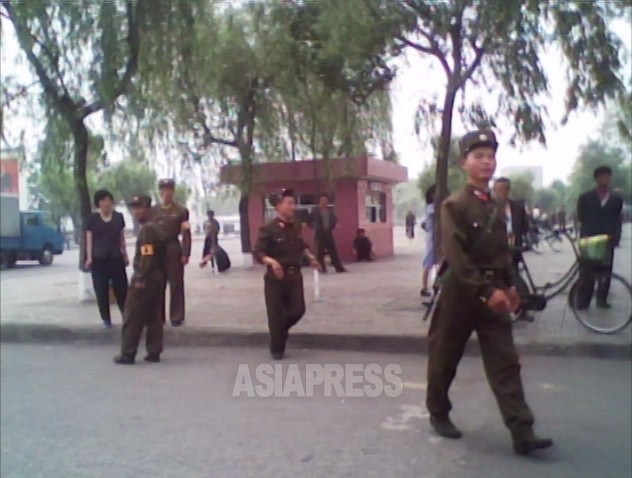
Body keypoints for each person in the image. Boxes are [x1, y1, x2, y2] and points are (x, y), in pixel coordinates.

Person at [426, 129, 552, 456]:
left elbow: (500, 250)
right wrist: (485, 291)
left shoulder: (497, 205)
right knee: (444, 355)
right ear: (463, 163)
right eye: (478, 156)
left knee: (505, 361)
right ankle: (438, 412)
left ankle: (522, 431)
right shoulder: (454, 205)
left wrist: (510, 286)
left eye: (491, 156)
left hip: (494, 291)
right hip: (461, 292)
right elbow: (456, 254)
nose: (486, 162)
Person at [253, 189, 320, 359]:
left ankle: (279, 333)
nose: (293, 206)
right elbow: (258, 252)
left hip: (294, 275)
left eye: (293, 203)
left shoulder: (296, 225)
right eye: (289, 203)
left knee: (298, 310)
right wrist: (272, 262)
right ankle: (277, 348)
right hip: (275, 278)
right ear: (278, 206)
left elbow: (302, 245)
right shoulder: (268, 228)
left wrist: (311, 258)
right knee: (275, 315)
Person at [114, 196, 167, 365]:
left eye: (138, 208)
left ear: (146, 208)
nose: (135, 212)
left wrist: (140, 278)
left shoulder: (147, 230)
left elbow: (147, 255)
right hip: (157, 276)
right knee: (153, 315)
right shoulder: (157, 226)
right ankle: (154, 351)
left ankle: (128, 352)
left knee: (133, 314)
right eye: (133, 208)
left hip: (146, 276)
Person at [575, 166, 623, 309]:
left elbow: (617, 219)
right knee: (586, 272)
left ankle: (602, 300)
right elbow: (581, 216)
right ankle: (583, 301)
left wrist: (616, 238)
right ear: (596, 179)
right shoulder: (585, 197)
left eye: (607, 176)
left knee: (605, 271)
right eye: (602, 176)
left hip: (607, 240)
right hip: (589, 240)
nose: (605, 179)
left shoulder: (616, 199)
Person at [85, 189, 129, 328]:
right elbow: (89, 238)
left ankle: (126, 316)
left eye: (109, 200)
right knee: (101, 289)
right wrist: (89, 257)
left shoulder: (118, 217)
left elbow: (121, 237)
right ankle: (106, 319)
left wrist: (125, 253)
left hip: (116, 257)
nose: (106, 203)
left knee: (122, 289)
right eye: (103, 201)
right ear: (98, 203)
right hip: (99, 259)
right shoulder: (92, 219)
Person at [492, 177, 533, 322]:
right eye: (496, 190)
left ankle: (521, 308)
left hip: (514, 248)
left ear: (507, 191)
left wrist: (526, 241)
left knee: (512, 276)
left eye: (502, 190)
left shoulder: (517, 206)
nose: (499, 193)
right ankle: (518, 305)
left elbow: (525, 226)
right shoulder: (490, 207)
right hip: (496, 249)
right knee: (507, 278)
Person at [152, 179, 191, 326]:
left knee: (176, 283)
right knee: (157, 283)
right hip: (157, 250)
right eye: (163, 190)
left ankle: (176, 316)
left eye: (169, 190)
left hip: (173, 248)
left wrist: (186, 253)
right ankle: (158, 316)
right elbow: (148, 232)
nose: (166, 193)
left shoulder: (181, 211)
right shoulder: (154, 210)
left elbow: (186, 233)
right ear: (160, 192)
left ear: (173, 192)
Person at [307, 193, 347, 273]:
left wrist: (333, 225)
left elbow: (334, 219)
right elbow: (308, 221)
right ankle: (322, 268)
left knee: (333, 251)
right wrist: (314, 226)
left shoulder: (330, 210)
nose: (324, 202)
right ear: (319, 201)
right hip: (319, 233)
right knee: (319, 252)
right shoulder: (315, 210)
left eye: (325, 200)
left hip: (328, 233)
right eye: (322, 200)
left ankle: (339, 268)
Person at [420, 185, 439, 297]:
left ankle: (437, 285)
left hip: (438, 237)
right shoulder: (431, 207)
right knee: (428, 263)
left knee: (440, 264)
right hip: (432, 239)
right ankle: (424, 287)